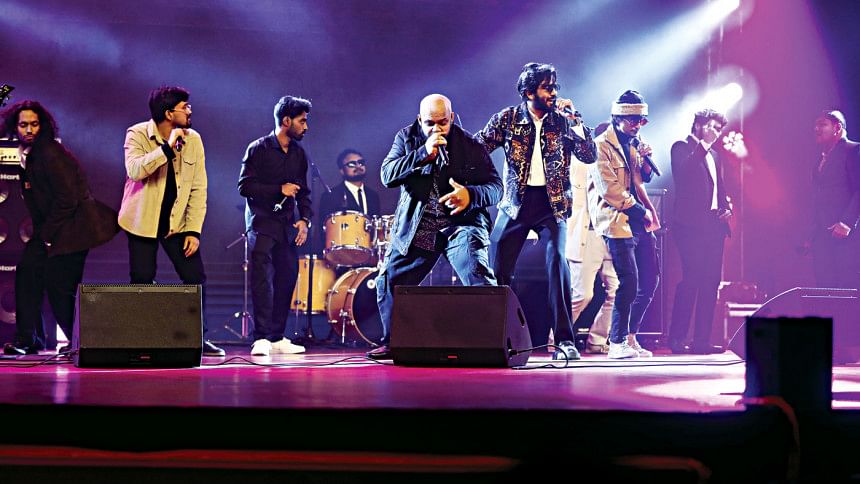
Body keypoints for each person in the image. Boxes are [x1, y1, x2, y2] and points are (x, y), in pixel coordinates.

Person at [367, 94, 502, 360]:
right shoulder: (406, 138)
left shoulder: (470, 144)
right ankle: (394, 342)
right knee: (389, 280)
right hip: (421, 226)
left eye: (443, 122)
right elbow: (387, 176)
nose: (437, 129)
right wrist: (422, 155)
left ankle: (493, 342)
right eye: (430, 123)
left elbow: (496, 187)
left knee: (478, 275)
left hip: (460, 225)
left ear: (451, 117)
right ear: (420, 120)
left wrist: (470, 195)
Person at [476, 62, 596, 361]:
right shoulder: (508, 118)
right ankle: (494, 338)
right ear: (529, 92)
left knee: (558, 263)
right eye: (547, 88)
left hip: (552, 204)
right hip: (516, 203)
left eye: (555, 87)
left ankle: (565, 342)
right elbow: (477, 148)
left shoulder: (563, 121)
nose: (553, 93)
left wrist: (576, 121)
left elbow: (589, 155)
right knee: (497, 268)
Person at [1, 101, 118, 355]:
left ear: (42, 125)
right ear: (14, 126)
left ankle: (81, 344)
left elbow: (68, 200)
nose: (29, 130)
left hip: (74, 230)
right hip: (55, 229)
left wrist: (46, 237)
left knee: (60, 288)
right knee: (28, 273)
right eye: (23, 125)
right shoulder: (29, 153)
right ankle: (29, 339)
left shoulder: (50, 153)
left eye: (34, 124)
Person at [120, 86, 224, 357]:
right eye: (184, 107)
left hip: (177, 222)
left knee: (194, 277)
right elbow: (135, 170)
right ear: (169, 113)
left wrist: (194, 230)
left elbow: (199, 187)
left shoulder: (194, 140)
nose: (190, 111)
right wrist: (167, 148)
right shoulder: (137, 133)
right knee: (142, 279)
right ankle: (144, 338)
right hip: (141, 219)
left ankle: (198, 338)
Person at [587, 90, 660, 359]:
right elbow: (610, 189)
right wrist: (641, 212)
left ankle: (630, 336)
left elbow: (643, 179)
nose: (638, 125)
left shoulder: (635, 143)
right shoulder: (599, 146)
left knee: (650, 281)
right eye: (634, 120)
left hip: (639, 219)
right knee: (628, 281)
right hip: (616, 219)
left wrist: (647, 161)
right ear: (617, 118)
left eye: (642, 121)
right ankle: (616, 342)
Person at [238, 95, 313, 356]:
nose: (306, 127)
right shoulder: (258, 148)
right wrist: (278, 189)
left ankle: (277, 336)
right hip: (261, 224)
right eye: (302, 121)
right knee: (262, 279)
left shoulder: (299, 153)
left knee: (288, 275)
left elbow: (304, 192)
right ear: (286, 120)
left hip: (286, 226)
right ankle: (261, 337)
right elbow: (244, 186)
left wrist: (304, 220)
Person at [668, 109, 731, 355]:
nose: (716, 132)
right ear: (698, 125)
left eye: (719, 129)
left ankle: (701, 341)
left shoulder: (715, 155)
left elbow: (719, 188)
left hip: (714, 227)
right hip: (689, 226)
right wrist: (703, 145)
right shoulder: (681, 148)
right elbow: (683, 174)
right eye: (712, 127)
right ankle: (677, 338)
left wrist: (726, 207)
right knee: (691, 279)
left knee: (711, 282)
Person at [566, 158, 618, 354]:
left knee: (617, 291)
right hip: (587, 235)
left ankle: (597, 339)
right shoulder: (577, 164)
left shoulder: (616, 163)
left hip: (612, 234)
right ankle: (557, 336)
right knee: (583, 294)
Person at [806, 110, 860, 288]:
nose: (816, 129)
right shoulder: (820, 160)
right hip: (822, 235)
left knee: (846, 286)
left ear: (837, 127)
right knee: (824, 286)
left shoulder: (853, 150)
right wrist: (812, 233)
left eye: (822, 124)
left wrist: (847, 223)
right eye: (816, 125)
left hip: (846, 235)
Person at [317, 148, 381, 247]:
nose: (358, 166)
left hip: (369, 252)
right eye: (352, 164)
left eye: (361, 162)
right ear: (342, 170)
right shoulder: (330, 196)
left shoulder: (373, 196)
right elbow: (324, 232)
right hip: (343, 253)